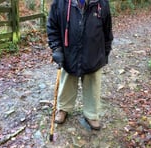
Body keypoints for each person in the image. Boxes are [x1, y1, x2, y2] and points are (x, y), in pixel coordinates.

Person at [46, 0, 113, 130]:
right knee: (67, 81)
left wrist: (105, 53)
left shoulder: (102, 3)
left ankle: (92, 114)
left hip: (94, 53)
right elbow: (52, 26)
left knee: (93, 84)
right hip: (68, 52)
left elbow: (107, 30)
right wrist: (56, 49)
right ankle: (63, 108)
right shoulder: (60, 3)